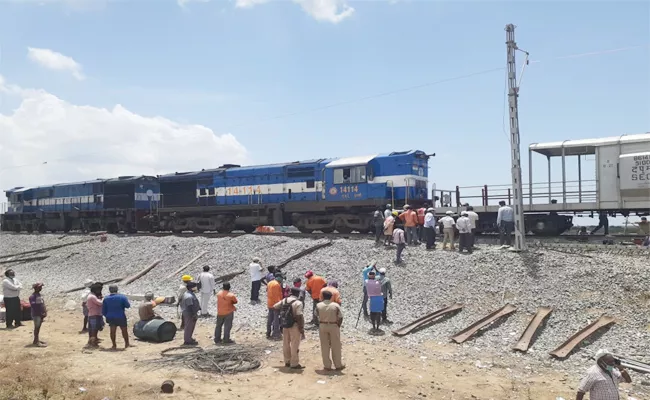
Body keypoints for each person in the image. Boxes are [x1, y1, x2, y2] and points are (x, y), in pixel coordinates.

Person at [274, 287, 305, 369]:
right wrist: (301, 328)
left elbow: (275, 306)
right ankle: (294, 363)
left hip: (285, 324)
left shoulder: (284, 300)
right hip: (294, 325)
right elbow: (299, 316)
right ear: (298, 294)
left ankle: (287, 361)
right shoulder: (298, 303)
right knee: (295, 344)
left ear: (291, 292)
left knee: (286, 343)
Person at [316, 290, 345, 371]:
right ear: (331, 297)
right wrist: (338, 325)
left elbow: (316, 315)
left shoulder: (318, 305)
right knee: (336, 346)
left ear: (322, 297)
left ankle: (327, 365)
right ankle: (338, 365)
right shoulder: (335, 305)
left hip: (322, 325)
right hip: (333, 325)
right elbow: (340, 317)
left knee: (324, 346)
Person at [102, 284, 131, 350]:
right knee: (124, 330)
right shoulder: (122, 297)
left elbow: (103, 311)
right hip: (120, 316)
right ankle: (127, 344)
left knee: (112, 331)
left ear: (109, 290)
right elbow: (128, 306)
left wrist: (107, 315)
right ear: (117, 289)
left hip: (111, 317)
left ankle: (114, 345)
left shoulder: (106, 299)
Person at [180, 281, 201, 345]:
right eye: (195, 287)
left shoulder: (187, 293)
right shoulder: (189, 296)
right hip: (189, 314)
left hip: (187, 312)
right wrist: (194, 314)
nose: (196, 288)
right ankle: (187, 341)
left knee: (190, 327)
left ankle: (189, 338)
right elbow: (190, 306)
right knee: (189, 327)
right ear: (191, 288)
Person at [86, 283, 104, 347]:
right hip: (95, 314)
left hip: (92, 314)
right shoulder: (92, 297)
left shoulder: (91, 296)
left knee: (92, 329)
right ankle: (93, 343)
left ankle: (92, 341)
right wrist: (102, 299)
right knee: (94, 330)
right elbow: (100, 303)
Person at [266, 273, 284, 339]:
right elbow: (277, 296)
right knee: (276, 319)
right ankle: (276, 334)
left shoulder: (269, 283)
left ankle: (268, 332)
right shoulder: (277, 284)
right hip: (275, 304)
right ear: (279, 277)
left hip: (269, 303)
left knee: (270, 319)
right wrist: (279, 305)